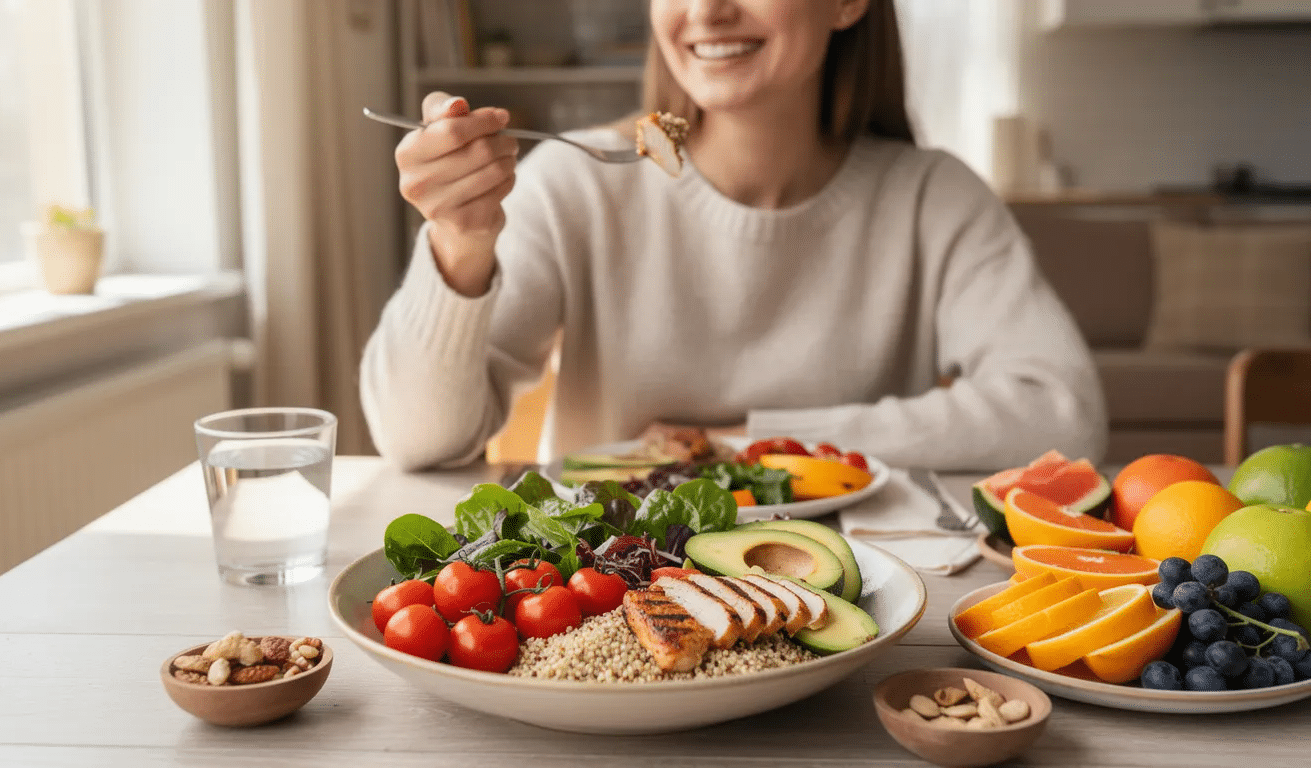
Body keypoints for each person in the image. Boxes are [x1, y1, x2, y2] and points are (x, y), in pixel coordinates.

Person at [360, 0, 1107, 473]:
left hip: (864, 596)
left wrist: (741, 443)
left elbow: (1061, 415)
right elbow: (418, 441)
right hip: (612, 594)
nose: (707, 11)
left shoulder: (932, 197)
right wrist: (459, 243)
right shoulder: (577, 183)